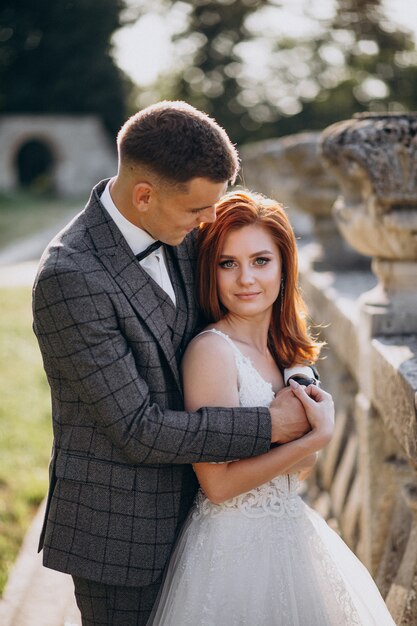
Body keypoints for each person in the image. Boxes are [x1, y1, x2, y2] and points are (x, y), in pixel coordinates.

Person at [32, 102, 316, 626]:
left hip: (215, 521)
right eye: (198, 209)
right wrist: (272, 423)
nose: (212, 221)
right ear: (145, 195)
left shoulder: (182, 229)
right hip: (124, 538)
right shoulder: (70, 278)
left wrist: (299, 380)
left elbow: (253, 321)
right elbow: (137, 429)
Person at [147, 190, 396, 626]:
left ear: (284, 266)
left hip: (291, 533)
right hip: (232, 550)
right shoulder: (212, 351)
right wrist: (317, 436)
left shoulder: (283, 353)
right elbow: (218, 486)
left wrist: (307, 440)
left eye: (261, 261)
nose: (246, 279)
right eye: (229, 263)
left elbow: (300, 468)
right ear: (212, 271)